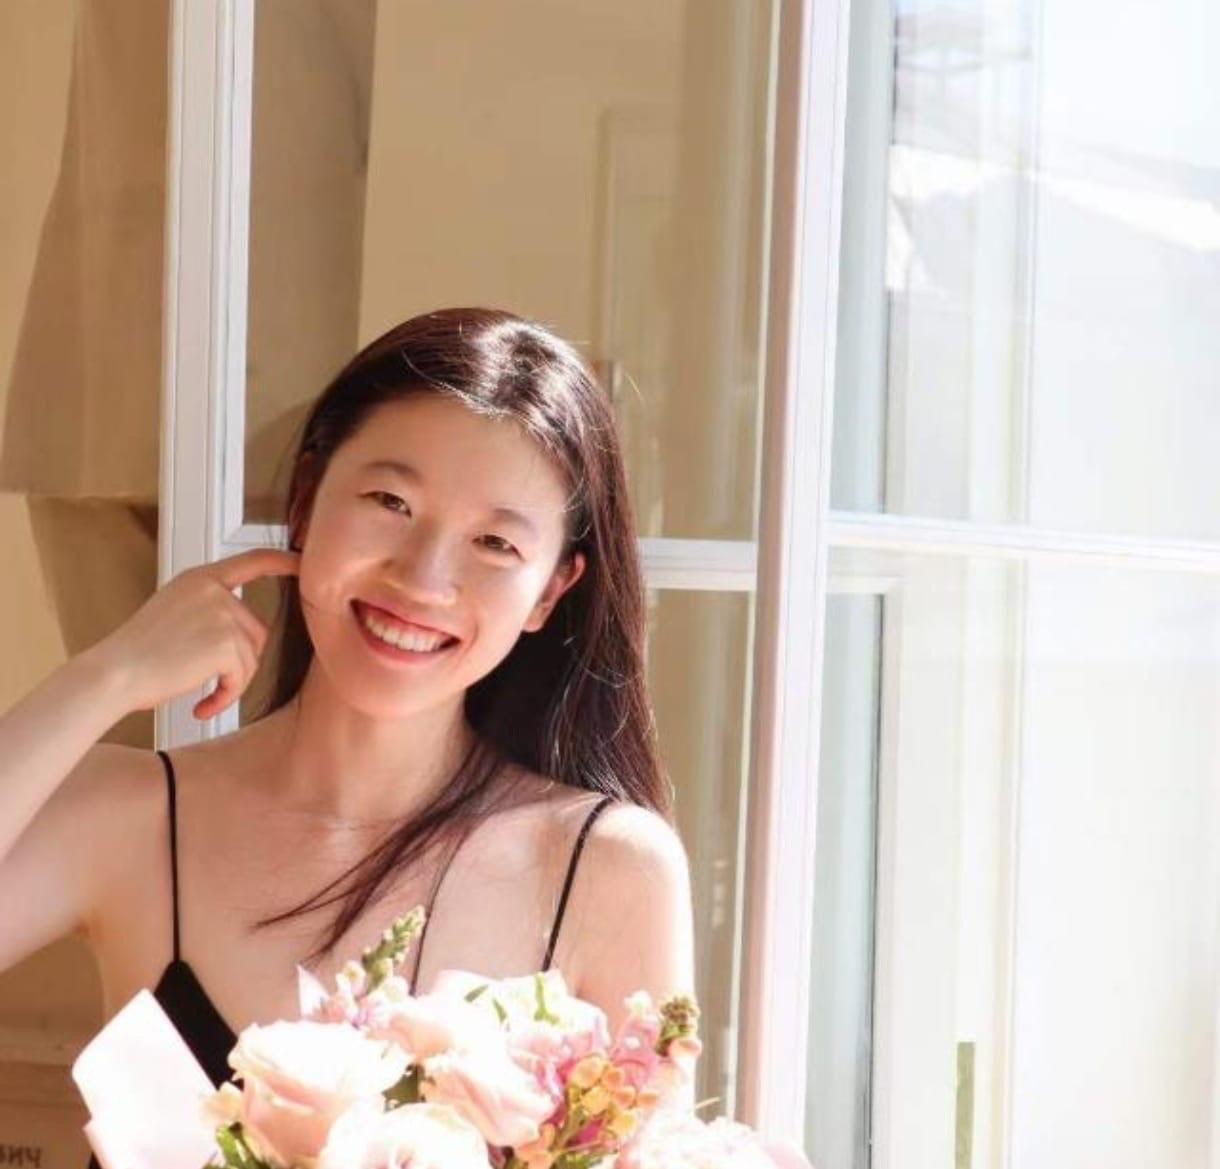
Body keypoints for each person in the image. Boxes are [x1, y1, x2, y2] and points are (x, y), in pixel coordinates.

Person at [0, 307, 697, 1139]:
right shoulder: (129, 815)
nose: (423, 578)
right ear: (305, 500)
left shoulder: (607, 867)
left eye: (495, 544)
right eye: (390, 501)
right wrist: (106, 675)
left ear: (550, 591)